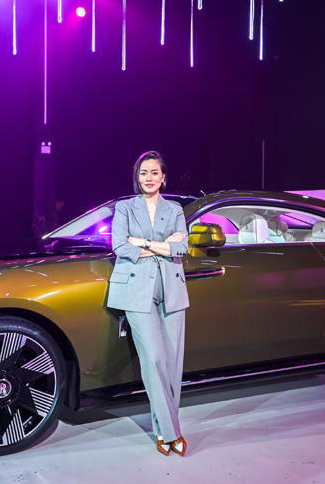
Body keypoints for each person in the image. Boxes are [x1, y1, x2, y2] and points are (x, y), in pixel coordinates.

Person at [108, 150, 190, 457]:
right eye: (144, 173)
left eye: (154, 172)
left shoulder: (175, 209)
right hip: (137, 289)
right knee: (154, 359)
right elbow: (119, 245)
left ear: (163, 177)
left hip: (172, 289)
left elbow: (181, 248)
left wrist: (141, 243)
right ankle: (171, 432)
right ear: (137, 177)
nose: (149, 178)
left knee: (173, 365)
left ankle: (164, 429)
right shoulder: (125, 208)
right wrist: (163, 246)